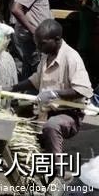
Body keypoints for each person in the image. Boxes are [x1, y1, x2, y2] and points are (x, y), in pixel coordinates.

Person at [9, 19, 92, 154]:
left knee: (52, 125)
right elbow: (36, 79)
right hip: (46, 109)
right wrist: (12, 88)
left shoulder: (71, 57)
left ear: (57, 39)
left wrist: (55, 94)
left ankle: (58, 170)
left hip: (68, 113)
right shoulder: (46, 56)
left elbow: (83, 90)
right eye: (37, 44)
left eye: (42, 44)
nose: (38, 48)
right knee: (15, 112)